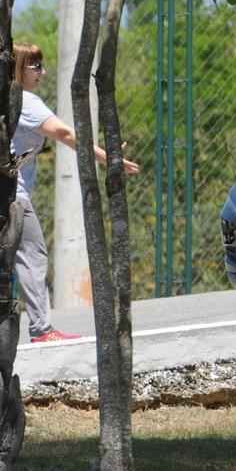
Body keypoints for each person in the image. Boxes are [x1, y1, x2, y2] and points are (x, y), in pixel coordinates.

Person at [11, 42, 140, 343]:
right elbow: (64, 133)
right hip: (12, 194)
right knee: (32, 254)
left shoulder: (9, 99)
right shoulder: (25, 101)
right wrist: (105, 156)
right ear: (19, 68)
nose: (42, 72)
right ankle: (42, 330)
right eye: (35, 66)